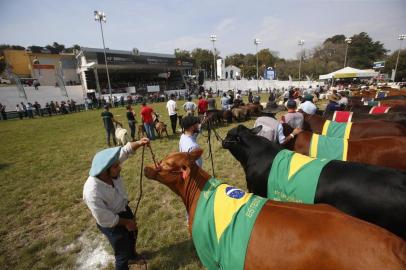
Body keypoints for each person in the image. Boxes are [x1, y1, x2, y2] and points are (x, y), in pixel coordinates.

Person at [83, 138, 150, 270]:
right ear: (104, 171)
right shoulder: (92, 192)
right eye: (116, 166)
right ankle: (125, 260)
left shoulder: (109, 168)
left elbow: (126, 150)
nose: (119, 167)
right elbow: (105, 219)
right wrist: (126, 222)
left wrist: (140, 142)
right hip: (110, 222)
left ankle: (133, 255)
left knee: (133, 232)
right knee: (121, 252)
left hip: (123, 209)